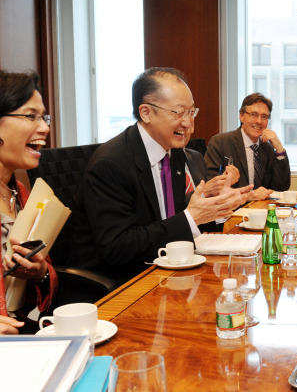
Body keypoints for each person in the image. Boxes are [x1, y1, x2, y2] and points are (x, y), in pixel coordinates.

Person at [69, 67, 249, 285]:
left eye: (191, 112)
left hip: (170, 271)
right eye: (178, 113)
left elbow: (169, 221)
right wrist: (192, 216)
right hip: (123, 281)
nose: (188, 123)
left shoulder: (175, 155)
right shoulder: (111, 164)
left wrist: (217, 206)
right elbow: (118, 248)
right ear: (146, 113)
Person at [0, 71, 58, 334]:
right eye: (30, 116)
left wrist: (39, 271)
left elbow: (47, 272)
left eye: (43, 117)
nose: (45, 127)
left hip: (25, 335)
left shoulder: (22, 192)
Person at [205, 93, 290, 201]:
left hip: (260, 211)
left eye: (264, 116)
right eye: (253, 115)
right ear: (242, 116)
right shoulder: (220, 142)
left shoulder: (267, 148)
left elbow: (281, 187)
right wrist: (249, 196)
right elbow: (212, 188)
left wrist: (279, 150)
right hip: (231, 212)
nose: (259, 121)